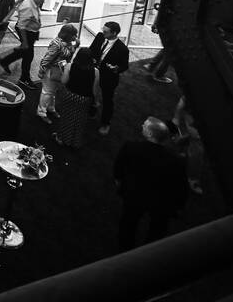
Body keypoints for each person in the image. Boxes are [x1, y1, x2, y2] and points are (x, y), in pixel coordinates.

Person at [114, 117, 189, 250]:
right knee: (157, 229)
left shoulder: (130, 147)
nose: (142, 125)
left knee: (128, 223)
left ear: (150, 134)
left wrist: (120, 183)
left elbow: (118, 169)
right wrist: (177, 206)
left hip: (134, 195)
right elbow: (181, 186)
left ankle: (124, 250)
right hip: (159, 201)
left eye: (145, 125)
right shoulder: (176, 161)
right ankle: (150, 251)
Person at [0, 0, 46, 88]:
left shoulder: (33, 2)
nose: (44, 1)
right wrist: (25, 41)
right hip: (27, 33)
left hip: (31, 32)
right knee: (28, 56)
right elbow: (21, 26)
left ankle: (5, 61)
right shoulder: (28, 7)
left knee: (25, 52)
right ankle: (24, 78)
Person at [90, 20, 130, 135]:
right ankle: (92, 111)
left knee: (107, 101)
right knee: (91, 92)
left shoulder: (122, 49)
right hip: (94, 72)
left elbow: (124, 66)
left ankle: (105, 123)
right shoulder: (100, 36)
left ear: (114, 33)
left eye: (106, 31)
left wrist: (116, 69)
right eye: (103, 30)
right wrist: (91, 58)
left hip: (108, 77)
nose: (103, 32)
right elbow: (92, 49)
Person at [54, 47, 97, 148]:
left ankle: (60, 138)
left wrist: (63, 73)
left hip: (70, 96)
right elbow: (95, 90)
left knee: (66, 117)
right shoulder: (96, 71)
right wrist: (96, 102)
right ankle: (74, 141)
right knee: (79, 120)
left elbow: (64, 81)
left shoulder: (69, 66)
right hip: (85, 99)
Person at [37, 23, 79, 122]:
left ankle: (51, 108)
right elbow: (47, 59)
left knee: (53, 91)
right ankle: (41, 112)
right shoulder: (56, 44)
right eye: (74, 34)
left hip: (59, 70)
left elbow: (68, 57)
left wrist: (76, 46)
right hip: (51, 70)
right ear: (68, 34)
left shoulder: (67, 42)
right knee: (47, 92)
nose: (75, 37)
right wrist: (41, 71)